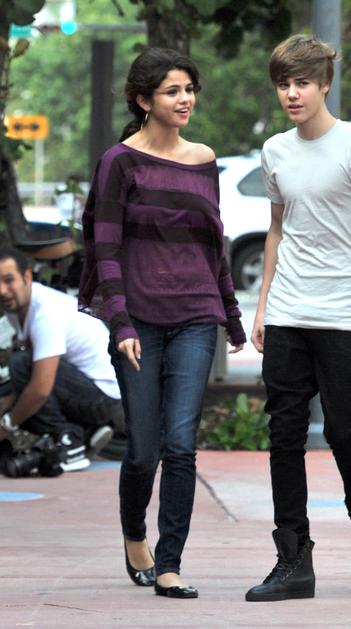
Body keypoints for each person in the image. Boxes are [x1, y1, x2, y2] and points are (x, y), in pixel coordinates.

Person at [78, 47, 246, 599]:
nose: (185, 99)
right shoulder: (119, 162)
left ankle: (170, 564)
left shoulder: (204, 159)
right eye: (173, 91)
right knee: (143, 450)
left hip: (195, 316)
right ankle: (135, 535)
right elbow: (105, 248)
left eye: (189, 89)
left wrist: (231, 315)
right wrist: (120, 322)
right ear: (143, 100)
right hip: (140, 321)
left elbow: (213, 243)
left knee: (181, 444)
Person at [245, 34, 351, 602]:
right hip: (289, 309)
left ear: (325, 84)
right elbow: (277, 230)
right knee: (283, 434)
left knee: (342, 428)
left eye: (302, 83)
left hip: (345, 312)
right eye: (283, 84)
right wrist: (263, 305)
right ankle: (293, 560)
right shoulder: (275, 150)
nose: (292, 93)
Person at [0, 247, 124, 472]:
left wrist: (7, 424)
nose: (2, 290)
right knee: (18, 389)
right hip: (86, 388)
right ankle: (85, 432)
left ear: (26, 277)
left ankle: (70, 440)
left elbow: (40, 389)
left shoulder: (45, 312)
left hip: (106, 397)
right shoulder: (15, 309)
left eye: (9, 280)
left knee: (21, 366)